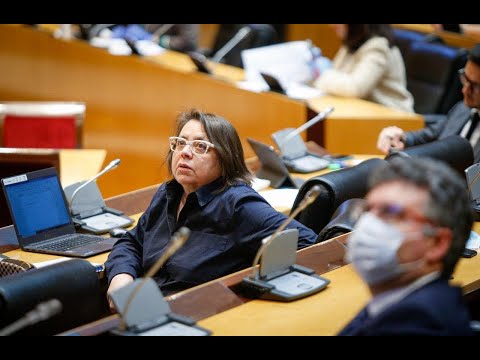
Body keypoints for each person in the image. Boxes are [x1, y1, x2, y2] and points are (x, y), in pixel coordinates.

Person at [105, 109, 318, 307]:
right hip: (143, 310)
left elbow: (310, 245)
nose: (185, 153)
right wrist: (121, 277)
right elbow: (132, 241)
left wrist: (247, 288)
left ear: (225, 158)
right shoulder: (169, 193)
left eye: (200, 146)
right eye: (180, 143)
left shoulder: (239, 206)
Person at [338, 157, 474, 336]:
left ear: (437, 243)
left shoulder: (417, 322)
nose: (368, 223)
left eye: (390, 212)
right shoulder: (394, 299)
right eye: (367, 210)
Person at [377, 44, 480, 162]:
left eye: (475, 86)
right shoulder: (463, 109)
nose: (465, 90)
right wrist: (401, 138)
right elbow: (431, 134)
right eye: (465, 78)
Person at [312, 24, 414, 113]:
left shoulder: (378, 46)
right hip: (364, 114)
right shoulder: (351, 43)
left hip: (395, 119)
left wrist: (320, 74)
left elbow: (354, 88)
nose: (332, 25)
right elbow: (334, 75)